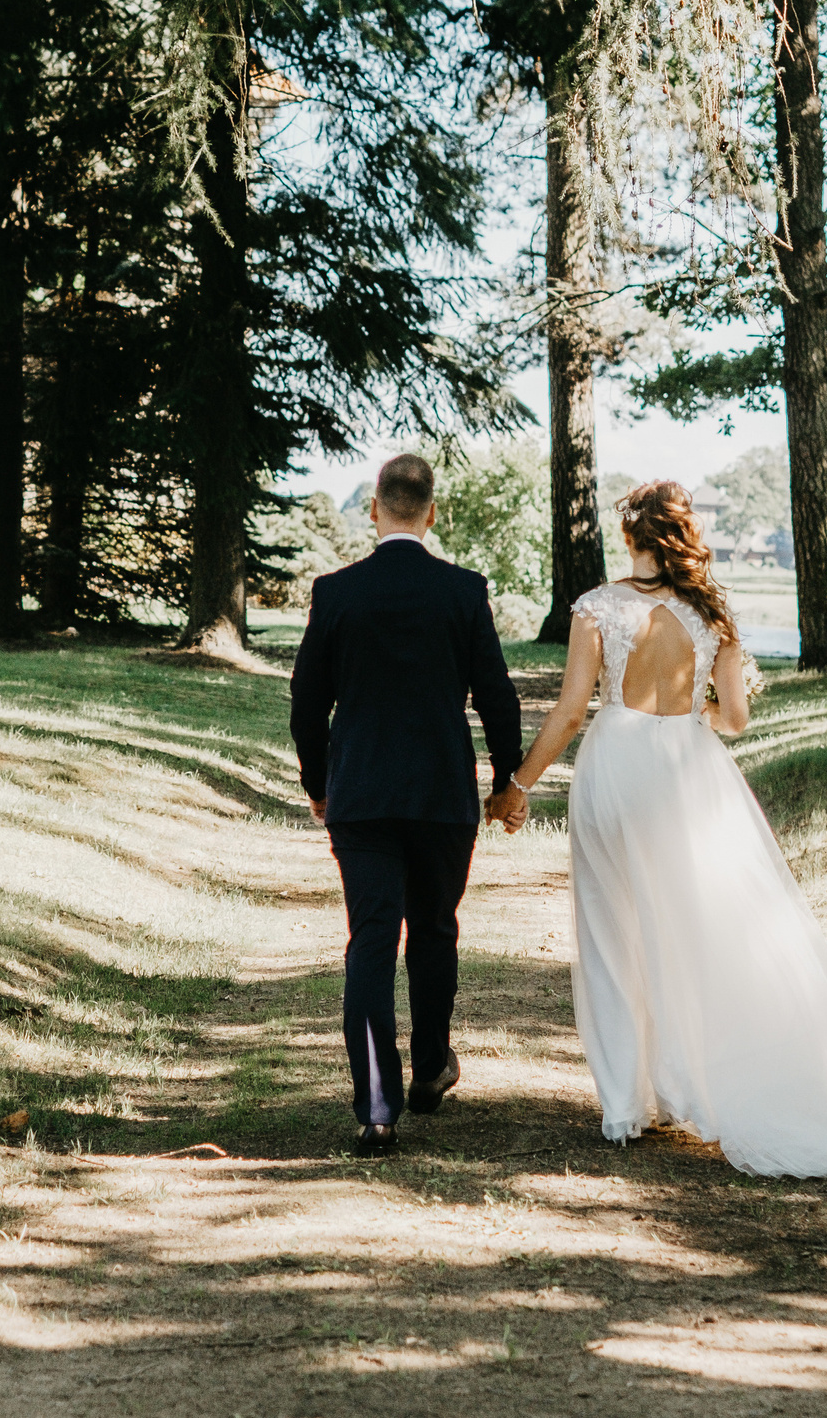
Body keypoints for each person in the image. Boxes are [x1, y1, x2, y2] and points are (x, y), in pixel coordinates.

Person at [495, 480, 827, 1177]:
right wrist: (708, 695)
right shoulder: (711, 612)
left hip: (616, 764)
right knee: (689, 923)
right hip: (686, 766)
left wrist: (518, 784)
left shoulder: (597, 608)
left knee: (611, 931)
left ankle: (624, 1103)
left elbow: (573, 710)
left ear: (630, 535)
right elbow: (733, 720)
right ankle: (683, 1083)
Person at [289, 453, 524, 1156]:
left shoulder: (336, 593)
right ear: (432, 511)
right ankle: (429, 1069)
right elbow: (497, 694)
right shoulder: (462, 591)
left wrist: (318, 780)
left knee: (369, 937)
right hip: (440, 794)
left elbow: (307, 702)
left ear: (374, 510)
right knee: (433, 928)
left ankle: (378, 1107)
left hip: (361, 794)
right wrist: (506, 777)